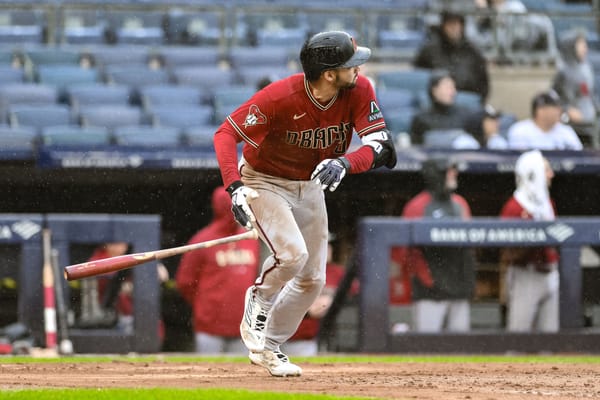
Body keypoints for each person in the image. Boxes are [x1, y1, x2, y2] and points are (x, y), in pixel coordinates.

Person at [213, 30, 397, 376]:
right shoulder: (280, 96)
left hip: (310, 183)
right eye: (350, 64)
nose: (358, 69)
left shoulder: (360, 90)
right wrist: (234, 187)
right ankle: (260, 298)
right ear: (330, 74)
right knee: (292, 255)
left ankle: (269, 348)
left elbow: (382, 147)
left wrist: (345, 162)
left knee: (312, 278)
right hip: (263, 180)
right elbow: (225, 133)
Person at [390, 156, 476, 332]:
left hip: (459, 289)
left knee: (461, 350)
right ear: (437, 174)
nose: (454, 174)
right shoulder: (417, 206)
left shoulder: (460, 204)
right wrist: (427, 280)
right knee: (425, 348)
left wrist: (466, 281)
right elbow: (407, 253)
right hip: (430, 290)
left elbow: (470, 246)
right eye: (449, 171)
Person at [175, 186, 261, 354]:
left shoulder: (250, 238)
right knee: (208, 375)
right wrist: (204, 306)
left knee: (242, 377)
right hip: (209, 327)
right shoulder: (203, 240)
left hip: (243, 327)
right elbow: (184, 282)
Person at [499, 150, 559, 332]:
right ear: (534, 173)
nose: (551, 174)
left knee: (550, 340)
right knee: (518, 338)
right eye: (546, 170)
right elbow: (505, 252)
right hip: (526, 274)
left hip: (551, 274)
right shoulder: (514, 207)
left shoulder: (548, 204)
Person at [281, 233, 358, 356]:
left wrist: (333, 301)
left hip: (325, 338)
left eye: (328, 245)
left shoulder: (339, 273)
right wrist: (307, 309)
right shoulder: (294, 271)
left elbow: (356, 299)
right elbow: (278, 303)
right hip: (294, 339)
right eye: (321, 245)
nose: (327, 249)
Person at [414, 8, 490, 101]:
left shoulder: (473, 51)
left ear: (462, 26)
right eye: (450, 24)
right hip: (437, 103)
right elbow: (419, 78)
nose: (454, 28)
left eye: (457, 24)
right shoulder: (429, 50)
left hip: (467, 101)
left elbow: (483, 83)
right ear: (443, 26)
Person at [552, 29, 599, 147]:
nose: (585, 49)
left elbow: (589, 93)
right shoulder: (563, 70)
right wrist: (566, 109)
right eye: (581, 45)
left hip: (589, 119)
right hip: (571, 123)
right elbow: (553, 95)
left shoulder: (586, 67)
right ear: (571, 46)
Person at [409, 69, 476, 146]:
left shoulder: (466, 115)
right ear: (434, 90)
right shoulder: (421, 118)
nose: (453, 92)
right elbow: (416, 149)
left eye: (453, 87)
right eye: (448, 87)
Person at [507, 90, 584, 150]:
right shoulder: (520, 130)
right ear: (540, 111)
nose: (559, 111)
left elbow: (578, 157)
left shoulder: (566, 131)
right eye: (555, 107)